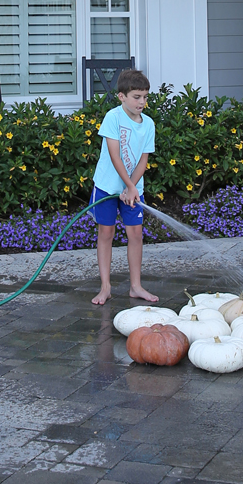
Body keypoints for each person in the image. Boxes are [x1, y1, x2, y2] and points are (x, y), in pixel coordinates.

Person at [89, 68, 158, 306]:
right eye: (136, 97)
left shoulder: (148, 124)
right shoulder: (113, 118)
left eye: (145, 97)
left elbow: (143, 160)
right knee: (106, 233)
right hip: (108, 186)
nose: (142, 102)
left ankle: (135, 286)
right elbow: (115, 155)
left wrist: (132, 188)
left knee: (135, 234)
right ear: (122, 97)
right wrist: (127, 185)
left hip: (133, 190)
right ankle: (105, 287)